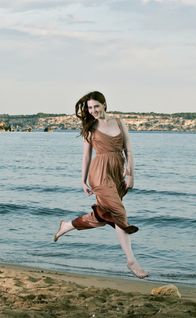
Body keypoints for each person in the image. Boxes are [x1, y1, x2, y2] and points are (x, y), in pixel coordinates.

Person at [54, 91, 148, 279]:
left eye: (96, 106)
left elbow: (128, 150)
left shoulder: (119, 123)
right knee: (119, 212)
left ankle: (68, 225)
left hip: (117, 174)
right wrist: (82, 180)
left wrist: (130, 174)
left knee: (105, 216)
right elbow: (87, 155)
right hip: (99, 173)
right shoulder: (90, 127)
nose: (93, 110)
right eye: (90, 107)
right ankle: (131, 261)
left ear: (104, 105)